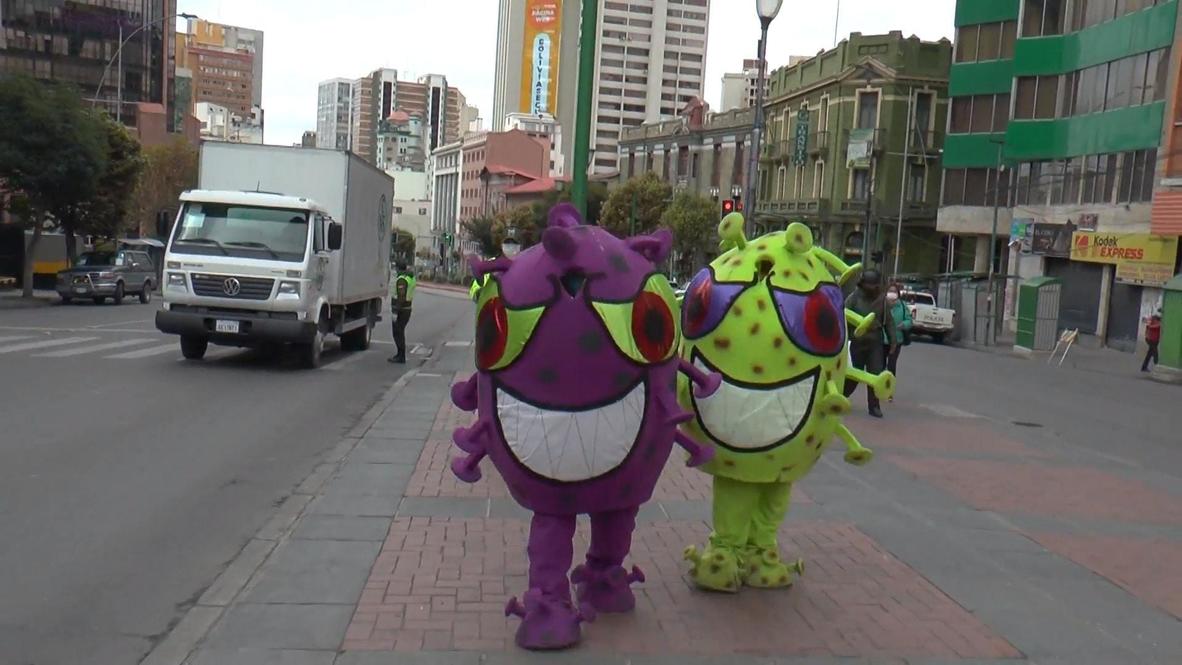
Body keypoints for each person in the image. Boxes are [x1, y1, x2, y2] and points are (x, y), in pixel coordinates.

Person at [844, 269, 896, 418]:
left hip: (875, 342)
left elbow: (889, 322)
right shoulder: (853, 298)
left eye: (875, 286)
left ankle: (874, 406)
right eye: (870, 285)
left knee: (875, 374)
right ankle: (840, 397)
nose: (872, 288)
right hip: (857, 341)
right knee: (854, 375)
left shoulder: (882, 300)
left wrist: (893, 340)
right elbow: (843, 316)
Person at [883, 285, 912, 401]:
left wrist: (904, 325)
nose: (892, 293)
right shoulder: (882, 304)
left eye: (894, 291)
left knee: (891, 366)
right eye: (890, 291)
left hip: (896, 340)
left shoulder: (903, 306)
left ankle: (889, 391)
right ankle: (877, 388)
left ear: (898, 294)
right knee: (878, 366)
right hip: (882, 339)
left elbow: (909, 320)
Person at [388, 261, 415, 364]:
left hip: (401, 310)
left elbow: (401, 297)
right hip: (407, 309)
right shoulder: (410, 277)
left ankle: (401, 355)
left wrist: (395, 311)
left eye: (396, 268)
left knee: (398, 332)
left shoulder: (402, 280)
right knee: (400, 332)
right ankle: (400, 354)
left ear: (399, 269)